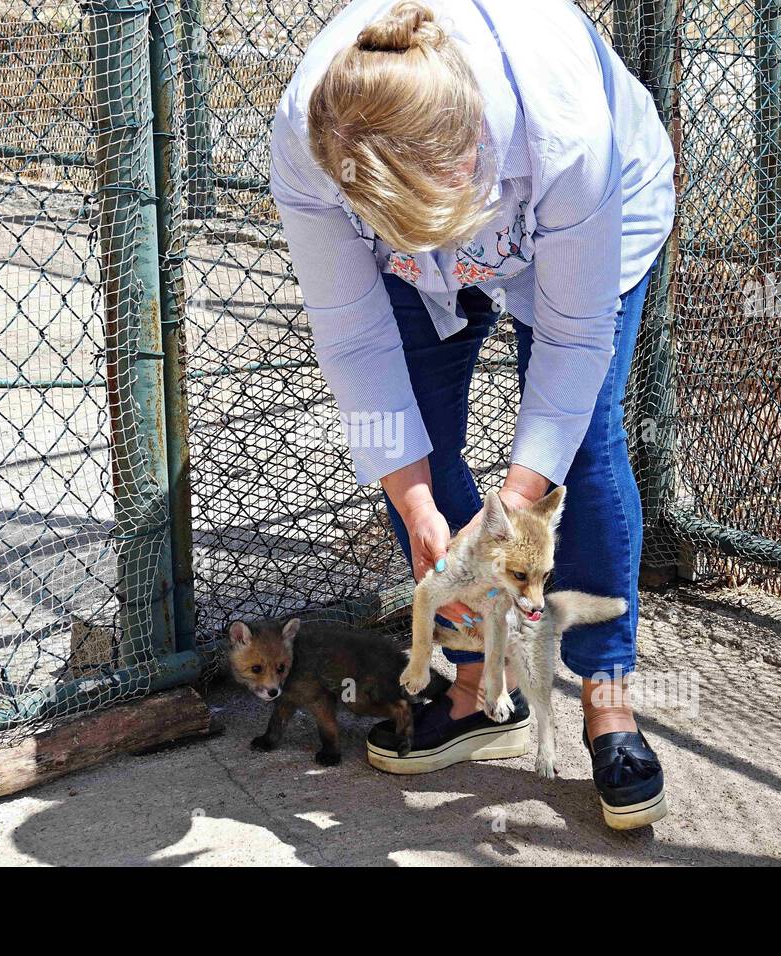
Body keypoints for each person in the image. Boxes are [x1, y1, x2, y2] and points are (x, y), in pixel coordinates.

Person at [269, 0, 675, 828]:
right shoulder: (309, 137)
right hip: (427, 214)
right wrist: (418, 507)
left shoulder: (565, 129)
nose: (450, 270)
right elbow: (354, 346)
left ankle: (608, 701)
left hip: (592, 218)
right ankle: (477, 686)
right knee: (410, 438)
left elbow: (571, 342)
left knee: (583, 450)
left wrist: (518, 505)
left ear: (477, 160)